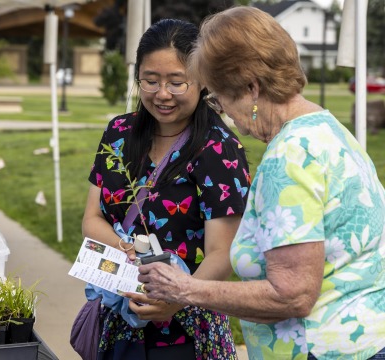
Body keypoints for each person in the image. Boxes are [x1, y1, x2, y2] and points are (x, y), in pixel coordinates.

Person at [130, 6, 385, 360]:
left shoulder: (290, 157)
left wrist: (185, 290)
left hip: (321, 350)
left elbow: (292, 294)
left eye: (219, 98)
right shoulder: (327, 128)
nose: (224, 113)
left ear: (251, 88)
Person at [82, 18, 250, 359]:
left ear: (202, 80)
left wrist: (176, 299)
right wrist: (128, 249)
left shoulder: (219, 149)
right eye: (151, 80)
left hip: (187, 329)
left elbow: (223, 252)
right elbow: (92, 218)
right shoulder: (118, 134)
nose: (162, 94)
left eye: (177, 82)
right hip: (118, 317)